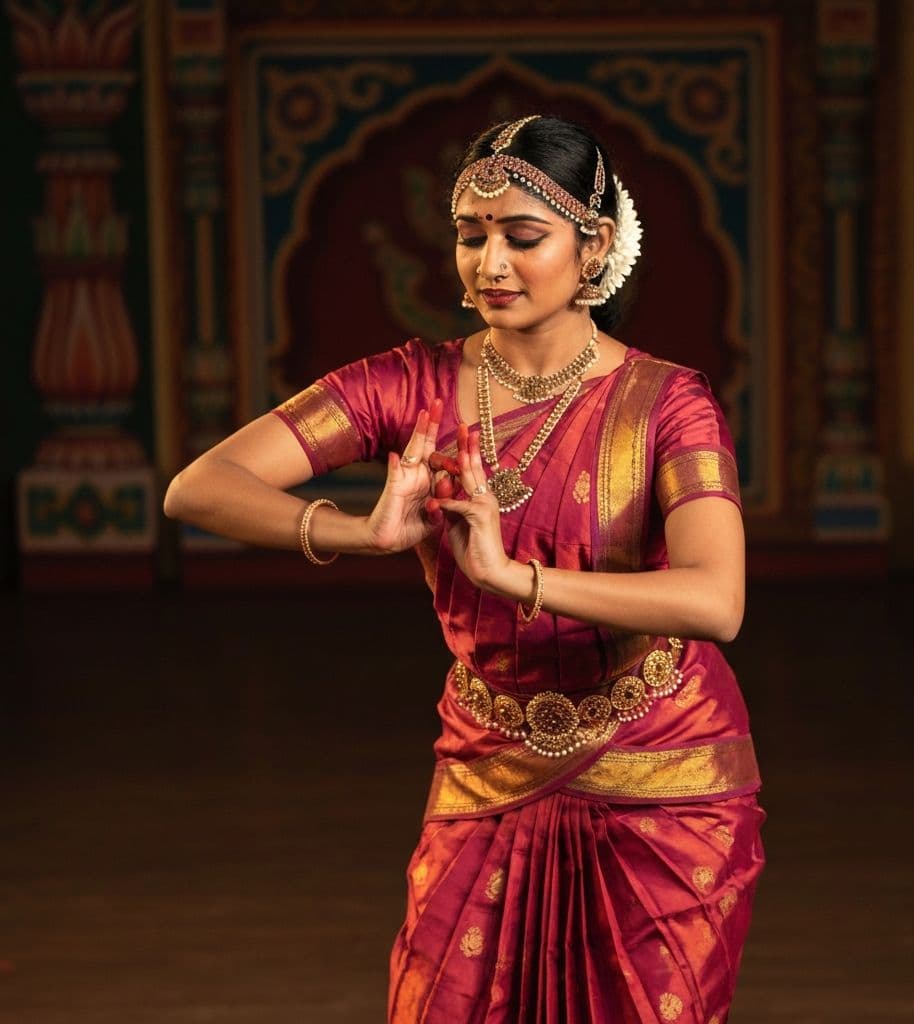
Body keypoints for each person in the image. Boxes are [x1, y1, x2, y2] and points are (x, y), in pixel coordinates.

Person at [165, 114, 764, 1024]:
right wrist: (359, 533)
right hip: (486, 762)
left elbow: (716, 602)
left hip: (662, 774)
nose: (491, 264)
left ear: (593, 245)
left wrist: (511, 575)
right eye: (471, 236)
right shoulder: (411, 386)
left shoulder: (665, 404)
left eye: (524, 238)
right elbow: (199, 487)